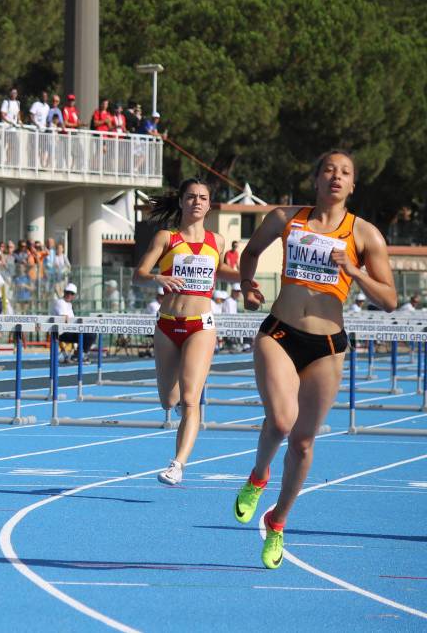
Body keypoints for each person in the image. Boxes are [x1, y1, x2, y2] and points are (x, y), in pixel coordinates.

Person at [231, 150, 396, 569]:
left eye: (344, 173)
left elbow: (390, 300)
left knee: (303, 442)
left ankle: (278, 520)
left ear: (353, 184)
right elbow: (248, 255)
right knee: (282, 421)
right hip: (280, 332)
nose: (335, 177)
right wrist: (248, 285)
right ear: (315, 178)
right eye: (328, 170)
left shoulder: (365, 235)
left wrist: (355, 271)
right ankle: (258, 476)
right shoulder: (285, 218)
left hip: (326, 346)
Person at [133, 178, 239, 486]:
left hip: (200, 325)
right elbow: (138, 276)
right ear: (181, 202)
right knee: (169, 400)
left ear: (209, 204)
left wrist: (245, 278)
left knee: (191, 400)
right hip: (167, 324)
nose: (196, 202)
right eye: (191, 196)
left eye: (203, 198)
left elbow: (220, 271)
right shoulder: (166, 238)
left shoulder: (216, 241)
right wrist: (156, 279)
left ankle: (177, 464)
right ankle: (179, 397)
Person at [50, 283, 95, 364]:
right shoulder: (60, 302)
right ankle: (78, 354)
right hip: (61, 332)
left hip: (70, 330)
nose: (69, 295)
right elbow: (64, 318)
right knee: (89, 334)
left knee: (92, 332)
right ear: (64, 292)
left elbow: (71, 321)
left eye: (72, 293)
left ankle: (79, 354)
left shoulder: (69, 305)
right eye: (67, 292)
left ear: (74, 295)